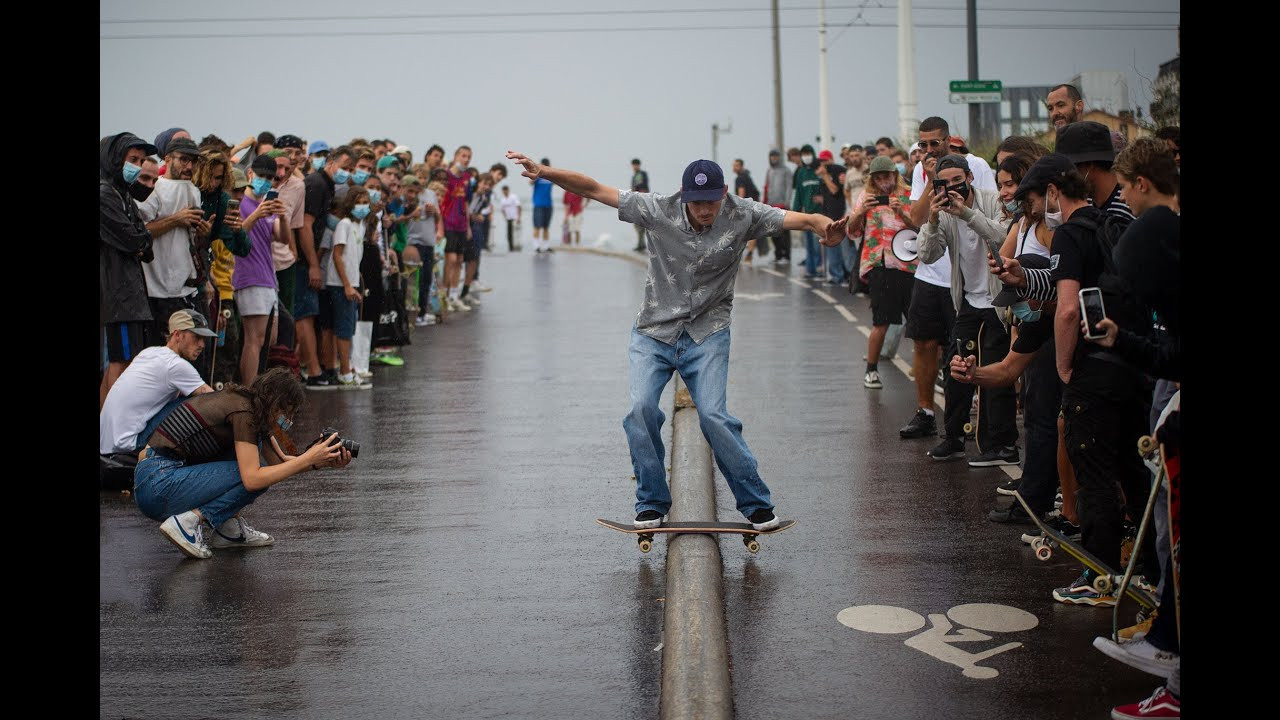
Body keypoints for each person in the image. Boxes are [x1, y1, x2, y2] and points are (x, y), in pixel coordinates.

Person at [505, 150, 848, 531]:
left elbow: (795, 218)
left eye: (712, 202)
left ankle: (756, 505)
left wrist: (821, 223)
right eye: (698, 203)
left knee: (715, 417)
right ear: (684, 195)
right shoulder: (656, 209)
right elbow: (593, 188)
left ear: (724, 194)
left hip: (708, 332)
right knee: (640, 411)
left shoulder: (742, 213)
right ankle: (651, 502)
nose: (705, 210)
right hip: (654, 332)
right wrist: (545, 172)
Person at [133, 368, 353, 559]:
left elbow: (280, 462)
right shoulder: (243, 411)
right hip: (159, 483)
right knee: (256, 477)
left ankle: (227, 530)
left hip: (158, 480)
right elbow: (253, 478)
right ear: (276, 403)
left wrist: (320, 461)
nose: (289, 421)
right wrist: (309, 458)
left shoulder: (250, 407)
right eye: (288, 412)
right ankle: (187, 523)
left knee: (260, 471)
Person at [915, 154, 1019, 467]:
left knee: (994, 370)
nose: (951, 189)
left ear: (970, 178)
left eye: (957, 181)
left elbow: (1004, 240)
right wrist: (933, 220)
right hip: (969, 302)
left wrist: (967, 213)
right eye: (942, 184)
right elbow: (926, 254)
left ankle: (1003, 445)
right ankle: (955, 438)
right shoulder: (943, 214)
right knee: (956, 367)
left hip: (998, 303)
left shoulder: (992, 200)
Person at [101, 310, 217, 457]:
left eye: (203, 339)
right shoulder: (176, 365)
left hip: (107, 443)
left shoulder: (149, 352)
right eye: (196, 337)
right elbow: (215, 400)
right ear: (177, 335)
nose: (202, 344)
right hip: (128, 445)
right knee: (193, 404)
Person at [847, 155, 917, 389]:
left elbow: (922, 228)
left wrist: (903, 213)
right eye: (877, 177)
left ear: (894, 174)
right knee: (881, 322)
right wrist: (859, 213)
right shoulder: (865, 197)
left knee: (917, 322)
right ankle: (871, 370)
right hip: (879, 264)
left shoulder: (908, 194)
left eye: (886, 176)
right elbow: (852, 232)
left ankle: (925, 368)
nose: (882, 182)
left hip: (908, 264)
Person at [101, 132, 159, 407]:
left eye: (142, 160)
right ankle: (109, 432)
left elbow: (145, 247)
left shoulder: (123, 194)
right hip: (117, 292)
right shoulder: (104, 194)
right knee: (121, 362)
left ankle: (106, 427)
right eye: (132, 159)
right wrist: (139, 240)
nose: (137, 165)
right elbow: (133, 238)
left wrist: (140, 240)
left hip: (132, 292)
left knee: (128, 360)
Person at [138, 137, 211, 347]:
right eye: (184, 160)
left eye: (194, 161)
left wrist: (203, 233)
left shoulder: (193, 190)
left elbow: (191, 240)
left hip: (186, 289)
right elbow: (141, 232)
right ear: (167, 158)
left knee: (190, 353)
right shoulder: (156, 190)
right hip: (157, 291)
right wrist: (176, 219)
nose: (189, 166)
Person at [234, 155, 289, 386]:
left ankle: (254, 384)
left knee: (270, 337)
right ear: (249, 175)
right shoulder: (240, 203)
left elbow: (283, 238)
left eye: (270, 178)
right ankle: (248, 390)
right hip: (248, 275)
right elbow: (236, 235)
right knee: (254, 338)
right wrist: (257, 214)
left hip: (268, 277)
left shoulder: (265, 205)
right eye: (261, 176)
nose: (265, 182)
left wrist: (283, 216)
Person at [327, 186, 371, 387]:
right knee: (343, 329)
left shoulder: (360, 225)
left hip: (352, 282)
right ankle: (344, 372)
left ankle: (349, 366)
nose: (362, 206)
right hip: (340, 284)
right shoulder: (344, 224)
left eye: (365, 202)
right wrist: (346, 285)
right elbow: (337, 254)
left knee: (349, 327)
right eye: (358, 202)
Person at [814, 150, 849, 285]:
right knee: (830, 245)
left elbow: (834, 190)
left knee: (839, 247)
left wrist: (825, 176)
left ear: (831, 159)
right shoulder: (823, 175)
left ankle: (840, 275)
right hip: (828, 213)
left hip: (839, 214)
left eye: (825, 160)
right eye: (821, 161)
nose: (823, 164)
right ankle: (834, 274)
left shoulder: (838, 171)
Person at [791, 144, 824, 279]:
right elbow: (798, 192)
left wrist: (823, 198)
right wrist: (795, 210)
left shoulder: (819, 170)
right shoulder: (801, 172)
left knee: (818, 244)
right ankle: (810, 269)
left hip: (819, 213)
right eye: (804, 154)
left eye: (808, 153)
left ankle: (818, 267)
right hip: (806, 212)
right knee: (808, 243)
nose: (806, 157)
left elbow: (825, 188)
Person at [761, 149, 792, 266]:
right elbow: (766, 187)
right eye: (772, 156)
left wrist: (787, 202)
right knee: (773, 231)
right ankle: (778, 254)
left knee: (784, 232)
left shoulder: (786, 171)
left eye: (776, 156)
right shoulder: (769, 171)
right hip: (771, 204)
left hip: (782, 205)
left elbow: (789, 188)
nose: (774, 158)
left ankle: (786, 255)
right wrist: (764, 202)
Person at [732, 159, 765, 262]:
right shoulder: (747, 176)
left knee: (742, 231)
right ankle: (749, 253)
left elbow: (742, 193)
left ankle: (741, 254)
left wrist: (738, 207)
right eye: (733, 166)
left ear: (741, 166)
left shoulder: (740, 178)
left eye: (736, 166)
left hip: (746, 208)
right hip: (755, 206)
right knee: (752, 231)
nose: (734, 168)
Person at [530, 156, 555, 254]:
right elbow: (530, 182)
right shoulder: (538, 177)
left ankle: (546, 246)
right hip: (538, 204)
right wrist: (537, 173)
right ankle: (536, 246)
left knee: (546, 227)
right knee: (537, 226)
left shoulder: (550, 178)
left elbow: (559, 182)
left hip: (548, 204)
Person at [630, 158, 650, 251]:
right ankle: (641, 244)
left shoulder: (641, 175)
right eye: (633, 165)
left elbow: (642, 188)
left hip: (641, 200)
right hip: (638, 200)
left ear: (638, 165)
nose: (634, 167)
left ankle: (642, 245)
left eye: (635, 165)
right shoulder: (636, 175)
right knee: (638, 224)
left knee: (640, 223)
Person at [500, 184, 522, 252]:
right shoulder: (503, 199)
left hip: (515, 218)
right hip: (508, 219)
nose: (505, 192)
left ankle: (517, 246)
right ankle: (510, 247)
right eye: (504, 191)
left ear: (508, 190)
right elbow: (502, 209)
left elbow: (519, 207)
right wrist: (505, 217)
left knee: (516, 233)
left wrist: (519, 217)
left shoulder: (513, 197)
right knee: (509, 233)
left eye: (506, 191)